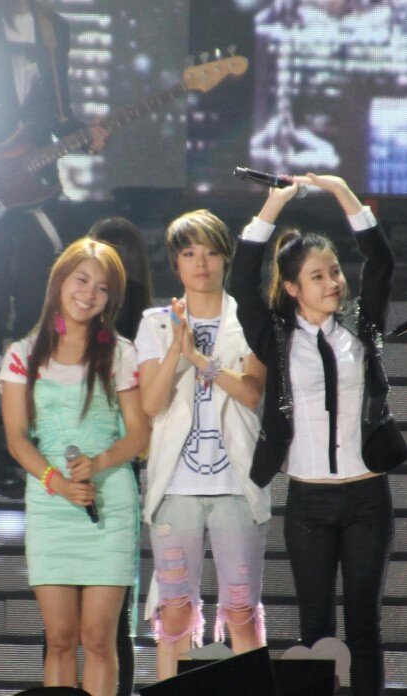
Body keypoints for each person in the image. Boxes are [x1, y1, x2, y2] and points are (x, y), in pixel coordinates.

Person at [230, 173, 405, 695]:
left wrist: (343, 193)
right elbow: (242, 280)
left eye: (334, 272)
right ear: (292, 288)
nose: (333, 282)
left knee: (365, 628)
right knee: (316, 632)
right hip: (308, 503)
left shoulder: (361, 325)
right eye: (317, 276)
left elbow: (381, 261)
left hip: (367, 498)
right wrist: (272, 205)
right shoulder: (275, 336)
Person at [0, 238, 149, 696]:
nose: (89, 294)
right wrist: (57, 482)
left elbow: (139, 435)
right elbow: (16, 438)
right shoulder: (23, 354)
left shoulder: (120, 353)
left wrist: (97, 463)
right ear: (60, 281)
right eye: (81, 280)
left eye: (102, 288)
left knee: (99, 638)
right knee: (61, 639)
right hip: (51, 506)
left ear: (111, 299)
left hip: (109, 504)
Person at [135, 209, 270, 680]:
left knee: (242, 611)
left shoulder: (248, 320)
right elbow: (151, 404)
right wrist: (177, 347)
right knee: (174, 612)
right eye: (190, 253)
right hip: (175, 488)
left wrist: (199, 359)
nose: (201, 263)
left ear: (226, 259)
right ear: (175, 262)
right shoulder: (155, 323)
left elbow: (252, 394)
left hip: (237, 485)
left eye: (211, 253)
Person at [0, 0, 107, 494]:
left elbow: (56, 114)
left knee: (36, 314)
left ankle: (17, 436)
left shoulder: (52, 26)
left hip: (33, 190)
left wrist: (83, 134)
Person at [89, 216, 152, 696]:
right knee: (95, 627)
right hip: (76, 476)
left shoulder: (144, 334)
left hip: (114, 474)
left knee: (106, 624)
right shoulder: (67, 329)